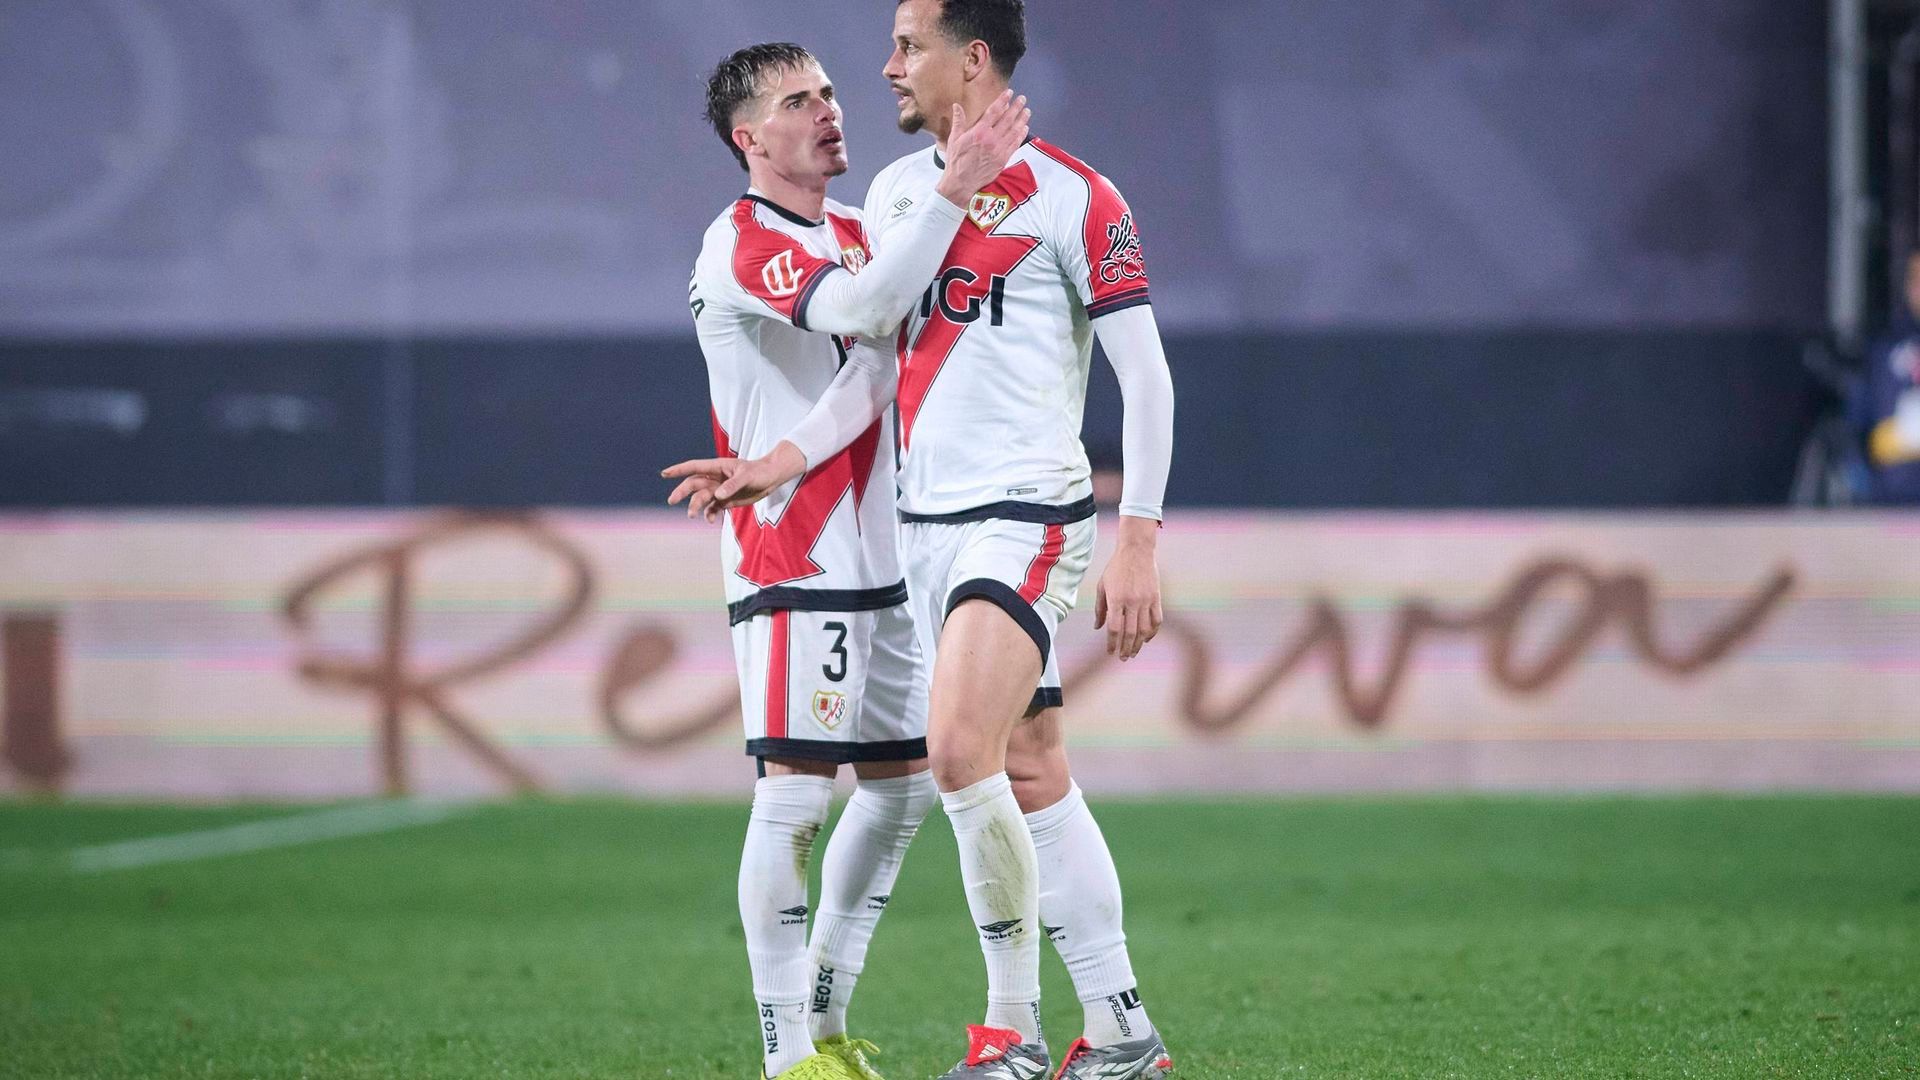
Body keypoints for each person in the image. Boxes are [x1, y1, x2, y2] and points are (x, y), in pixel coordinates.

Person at [669, 4, 1177, 1076]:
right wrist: (786, 459)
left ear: (972, 58)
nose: (885, 69)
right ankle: (1124, 1032)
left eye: (908, 47)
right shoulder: (897, 199)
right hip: (919, 537)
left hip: (1024, 514)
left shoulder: (1077, 196)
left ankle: (1009, 1035)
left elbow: (1149, 374)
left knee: (951, 757)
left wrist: (1138, 535)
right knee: (1031, 768)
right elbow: (874, 359)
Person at [686, 42, 1029, 1080]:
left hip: (888, 557)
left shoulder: (853, 230)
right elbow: (862, 316)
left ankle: (828, 1013)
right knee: (794, 797)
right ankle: (788, 1057)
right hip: (796, 551)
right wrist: (953, 189)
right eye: (800, 101)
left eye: (831, 92)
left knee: (902, 789)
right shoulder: (744, 244)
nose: (830, 110)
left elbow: (883, 365)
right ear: (751, 138)